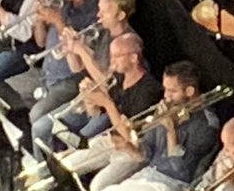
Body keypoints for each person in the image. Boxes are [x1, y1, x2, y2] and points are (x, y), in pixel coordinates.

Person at [78, 61, 218, 191]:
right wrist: (129, 147)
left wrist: (171, 132)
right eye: (165, 89)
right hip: (147, 175)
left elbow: (182, 172)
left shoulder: (206, 124)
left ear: (190, 91)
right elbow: (146, 154)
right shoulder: (166, 108)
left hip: (170, 187)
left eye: (172, 91)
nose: (166, 96)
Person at [37, 31, 161, 170]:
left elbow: (129, 135)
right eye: (111, 56)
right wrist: (90, 97)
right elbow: (95, 114)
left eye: (117, 56)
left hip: (130, 148)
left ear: (133, 58)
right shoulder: (118, 78)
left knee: (85, 177)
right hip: (109, 139)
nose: (112, 62)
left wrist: (107, 103)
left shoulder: (149, 90)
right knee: (64, 164)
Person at [20, 0, 100, 119]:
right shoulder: (63, 4)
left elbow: (80, 60)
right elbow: (41, 42)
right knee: (2, 91)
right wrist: (39, 21)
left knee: (37, 114)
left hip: (70, 80)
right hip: (45, 73)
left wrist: (58, 21)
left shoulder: (97, 15)